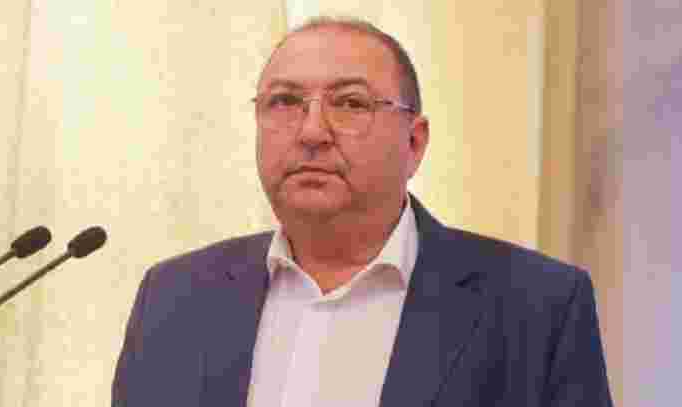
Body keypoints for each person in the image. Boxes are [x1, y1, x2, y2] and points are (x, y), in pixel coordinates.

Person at [112, 16, 614, 407]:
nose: (312, 131)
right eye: (284, 102)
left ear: (414, 142)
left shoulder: (536, 307)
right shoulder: (175, 298)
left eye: (350, 103)